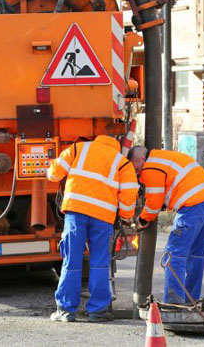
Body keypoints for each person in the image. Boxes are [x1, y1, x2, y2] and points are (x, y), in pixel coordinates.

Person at [46, 135, 139, 322]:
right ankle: (97, 311)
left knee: (71, 260)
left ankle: (65, 311)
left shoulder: (78, 148)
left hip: (76, 211)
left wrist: (50, 170)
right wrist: (125, 216)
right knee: (99, 263)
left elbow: (54, 173)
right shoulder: (122, 163)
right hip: (103, 217)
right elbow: (129, 194)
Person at [128, 146, 204, 304]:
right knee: (196, 255)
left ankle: (174, 302)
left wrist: (141, 221)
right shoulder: (167, 157)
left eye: (135, 168)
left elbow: (153, 203)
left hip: (193, 207)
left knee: (174, 254)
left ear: (141, 160)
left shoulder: (151, 166)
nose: (136, 172)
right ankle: (191, 299)